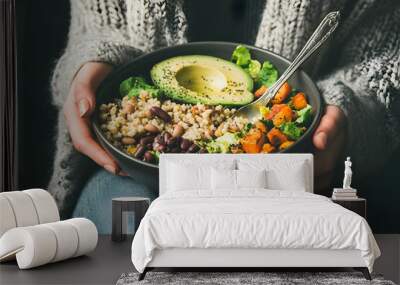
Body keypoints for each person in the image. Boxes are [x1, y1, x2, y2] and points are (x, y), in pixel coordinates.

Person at [48, 0, 400, 233]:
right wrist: (95, 62)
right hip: (134, 171)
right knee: (124, 226)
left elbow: (383, 56)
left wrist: (352, 109)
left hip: (297, 173)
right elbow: (99, 22)